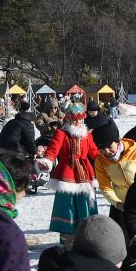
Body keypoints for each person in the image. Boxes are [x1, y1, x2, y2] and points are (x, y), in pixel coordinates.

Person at [43, 103, 101, 249]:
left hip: (85, 175)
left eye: (81, 120)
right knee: (67, 207)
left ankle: (86, 237)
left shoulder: (87, 135)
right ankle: (68, 239)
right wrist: (47, 161)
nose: (79, 123)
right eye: (76, 120)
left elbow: (94, 152)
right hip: (67, 174)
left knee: (86, 204)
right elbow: (52, 150)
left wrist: (108, 158)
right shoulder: (61, 134)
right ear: (69, 120)